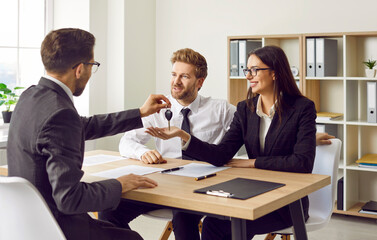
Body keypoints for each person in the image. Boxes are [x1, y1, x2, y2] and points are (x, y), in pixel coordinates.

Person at [7, 28, 171, 240]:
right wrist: (119, 184)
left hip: (25, 225)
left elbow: (83, 126)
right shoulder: (61, 113)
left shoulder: (30, 97)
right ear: (79, 69)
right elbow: (69, 199)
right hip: (57, 228)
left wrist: (139, 113)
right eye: (92, 65)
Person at [146, 45, 317, 239]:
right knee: (214, 221)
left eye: (255, 70)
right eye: (247, 70)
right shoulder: (246, 109)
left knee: (223, 226)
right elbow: (221, 154)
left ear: (275, 73)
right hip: (251, 193)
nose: (248, 76)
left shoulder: (303, 108)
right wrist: (184, 137)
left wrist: (252, 163)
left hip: (285, 204)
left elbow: (302, 163)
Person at [99, 48, 236, 240]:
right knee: (109, 212)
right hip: (164, 184)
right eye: (173, 74)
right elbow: (127, 141)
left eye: (184, 76)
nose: (176, 81)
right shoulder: (158, 109)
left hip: (201, 187)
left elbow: (243, 134)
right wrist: (142, 153)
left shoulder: (221, 109)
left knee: (183, 217)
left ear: (200, 82)